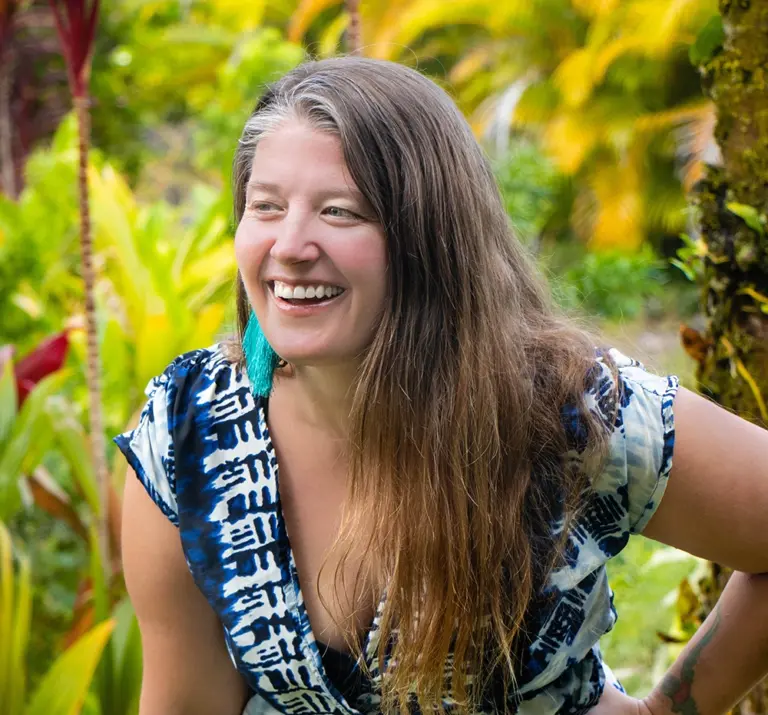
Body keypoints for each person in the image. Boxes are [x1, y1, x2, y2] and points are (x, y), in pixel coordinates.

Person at [116, 56, 768, 715]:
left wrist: (667, 710)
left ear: (431, 239)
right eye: (266, 207)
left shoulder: (568, 408)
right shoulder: (190, 432)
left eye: (340, 211)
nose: (289, 245)